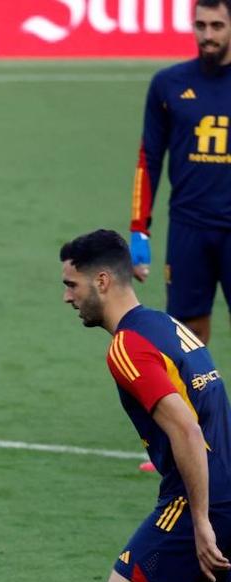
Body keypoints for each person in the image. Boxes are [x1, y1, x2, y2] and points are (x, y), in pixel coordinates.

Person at [60, 230, 231, 582]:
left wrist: (201, 518)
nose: (67, 296)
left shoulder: (127, 347)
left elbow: (183, 424)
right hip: (228, 481)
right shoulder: (163, 323)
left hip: (203, 496)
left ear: (102, 281)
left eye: (72, 283)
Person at [130, 0, 231, 347]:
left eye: (217, 26)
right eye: (200, 26)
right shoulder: (168, 84)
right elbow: (149, 159)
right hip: (189, 228)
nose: (207, 36)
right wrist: (139, 230)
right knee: (188, 337)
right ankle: (198, 404)